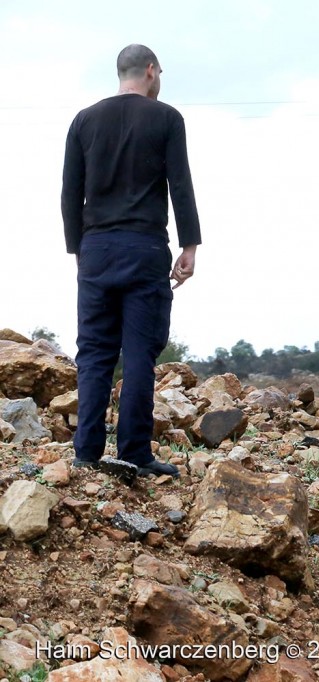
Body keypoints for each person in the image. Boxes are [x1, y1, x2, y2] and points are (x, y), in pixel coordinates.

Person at [61, 44, 201, 478]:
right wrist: (190, 245)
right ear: (151, 71)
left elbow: (70, 193)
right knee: (139, 351)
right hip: (144, 248)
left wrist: (77, 250)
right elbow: (180, 183)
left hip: (97, 249)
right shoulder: (166, 118)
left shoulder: (83, 120)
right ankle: (135, 454)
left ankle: (85, 453)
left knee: (95, 351)